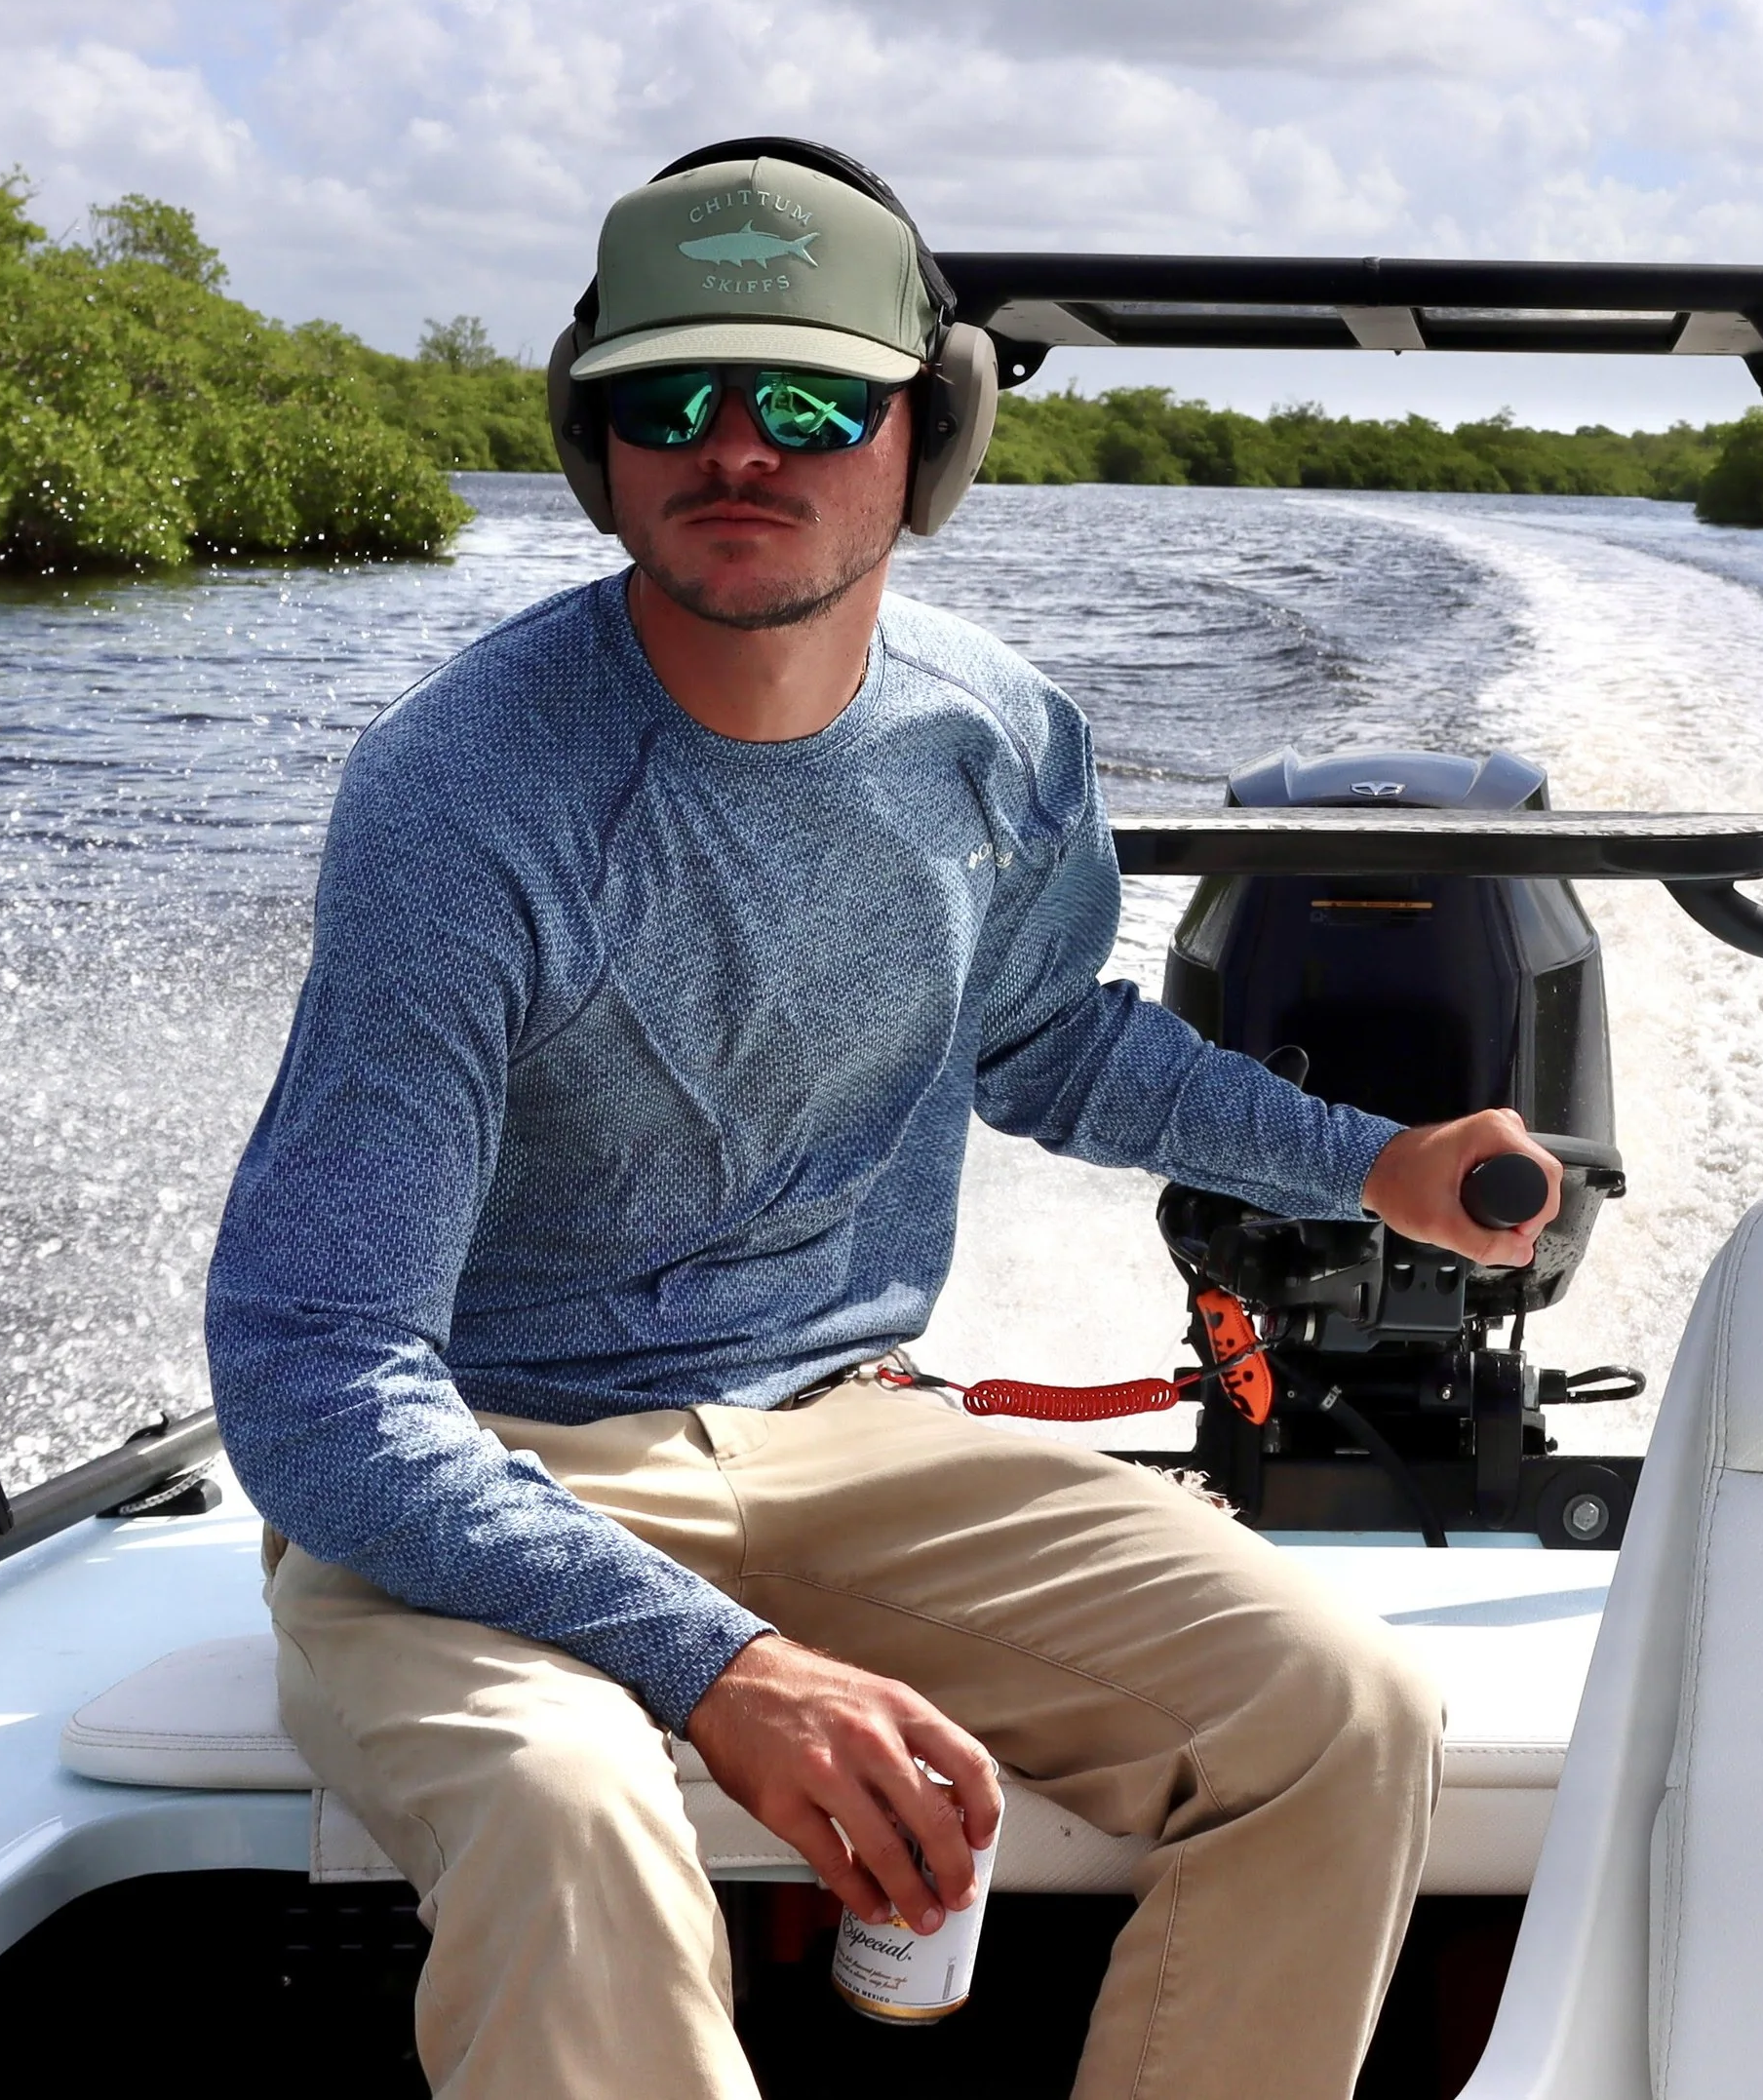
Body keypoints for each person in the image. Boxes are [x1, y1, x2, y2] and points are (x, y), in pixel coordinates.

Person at [206, 139, 1562, 2100]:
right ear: (596, 449)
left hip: (841, 1434)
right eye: (669, 402)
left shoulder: (997, 739)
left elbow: (1051, 1047)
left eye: (812, 403)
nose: (735, 449)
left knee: (1338, 1708)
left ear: (924, 440)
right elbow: (317, 1373)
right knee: (570, 1810)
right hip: (476, 1472)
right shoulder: (461, 797)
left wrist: (1369, 1165)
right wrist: (714, 1663)